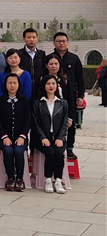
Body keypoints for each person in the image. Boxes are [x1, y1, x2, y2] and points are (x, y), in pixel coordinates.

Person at [0, 73, 31, 192]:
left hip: (20, 136)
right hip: (3, 136)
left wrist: (23, 136)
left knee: (19, 151)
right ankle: (10, 178)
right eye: (10, 83)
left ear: (18, 84)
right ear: (5, 85)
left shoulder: (24, 101)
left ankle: (19, 179)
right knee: (8, 151)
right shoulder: (0, 101)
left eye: (15, 83)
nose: (12, 85)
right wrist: (4, 136)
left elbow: (28, 120)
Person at [34, 74, 69, 194]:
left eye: (53, 83)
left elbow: (64, 123)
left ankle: (58, 180)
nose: (51, 86)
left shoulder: (62, 103)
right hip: (42, 138)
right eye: (48, 83)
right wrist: (43, 137)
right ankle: (48, 180)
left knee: (59, 153)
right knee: (50, 153)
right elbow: (35, 123)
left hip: (58, 137)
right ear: (44, 86)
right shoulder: (38, 103)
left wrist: (61, 138)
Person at [52, 32, 84, 160]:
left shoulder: (74, 58)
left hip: (70, 95)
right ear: (54, 43)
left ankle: (69, 147)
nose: (61, 43)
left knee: (71, 121)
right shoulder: (50, 58)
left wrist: (80, 95)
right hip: (53, 95)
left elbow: (80, 78)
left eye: (63, 41)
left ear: (67, 43)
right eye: (58, 41)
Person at [44, 53, 77, 157]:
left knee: (68, 128)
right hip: (48, 110)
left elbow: (71, 98)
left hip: (63, 109)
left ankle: (69, 148)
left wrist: (70, 116)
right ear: (46, 65)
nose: (54, 66)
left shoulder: (65, 79)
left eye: (56, 64)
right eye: (51, 64)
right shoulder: (43, 79)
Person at [17, 28, 46, 97]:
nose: (31, 40)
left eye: (34, 37)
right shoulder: (19, 54)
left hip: (39, 90)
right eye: (29, 37)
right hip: (23, 89)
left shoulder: (41, 54)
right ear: (24, 39)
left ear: (37, 39)